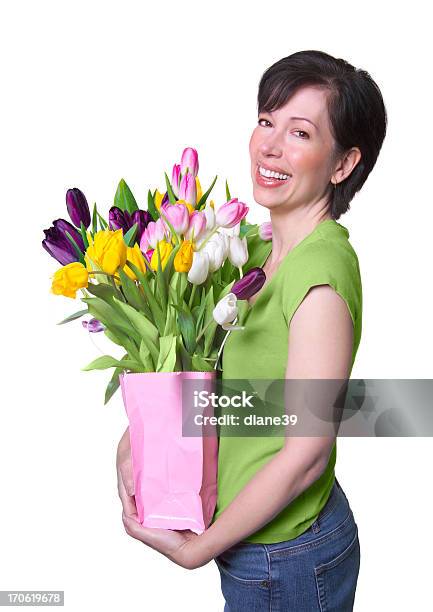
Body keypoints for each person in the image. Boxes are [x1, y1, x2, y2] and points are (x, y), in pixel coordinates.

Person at [116, 49, 387, 611]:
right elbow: (217, 385)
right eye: (266, 121)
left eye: (300, 132)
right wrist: (137, 443)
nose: (269, 145)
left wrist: (198, 550)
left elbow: (306, 451)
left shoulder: (319, 278)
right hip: (253, 541)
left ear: (343, 163)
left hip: (286, 556)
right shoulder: (253, 250)